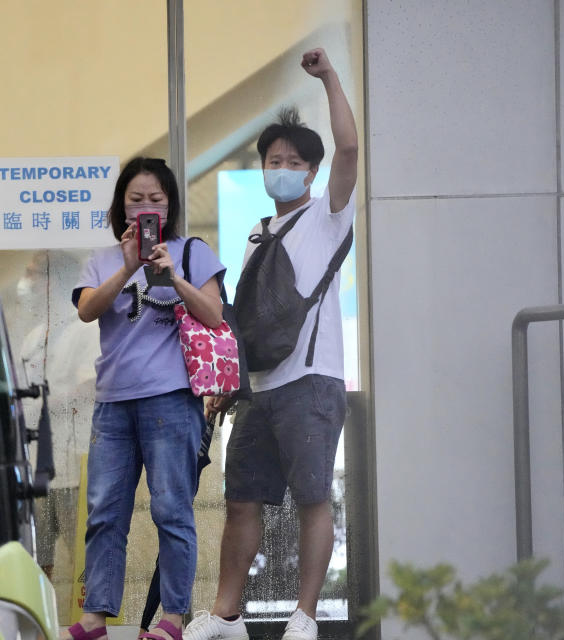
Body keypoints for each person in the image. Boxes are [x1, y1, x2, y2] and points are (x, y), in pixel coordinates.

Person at [183, 47, 358, 640]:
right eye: (272, 160)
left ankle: (303, 616)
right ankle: (227, 615)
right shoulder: (258, 233)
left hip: (311, 382)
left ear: (310, 172)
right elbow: (249, 323)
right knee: (241, 500)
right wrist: (230, 386)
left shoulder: (327, 215)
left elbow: (351, 150)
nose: (280, 168)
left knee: (312, 497)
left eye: (292, 161)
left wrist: (330, 78)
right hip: (260, 390)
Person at [65, 157, 226, 640]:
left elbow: (215, 315)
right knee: (105, 510)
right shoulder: (101, 258)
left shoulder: (191, 251)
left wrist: (172, 276)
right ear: (120, 206)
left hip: (172, 400)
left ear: (170, 204)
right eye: (136, 200)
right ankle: (96, 614)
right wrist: (130, 265)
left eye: (155, 199)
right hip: (113, 402)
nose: (146, 207)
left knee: (171, 509)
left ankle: (172, 617)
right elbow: (88, 311)